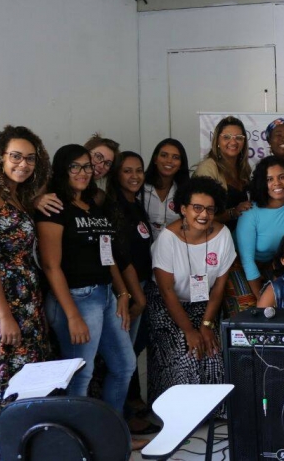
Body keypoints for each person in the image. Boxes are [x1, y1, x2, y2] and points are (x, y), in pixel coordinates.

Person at [37, 145, 136, 421]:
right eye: (75, 166)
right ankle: (77, 438)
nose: (83, 172)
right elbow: (51, 265)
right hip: (75, 298)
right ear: (62, 170)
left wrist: (123, 293)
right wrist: (72, 316)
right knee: (80, 375)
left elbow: (106, 254)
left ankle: (110, 433)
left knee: (124, 366)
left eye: (87, 166)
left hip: (105, 295)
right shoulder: (54, 207)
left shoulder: (92, 204)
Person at [0, 126, 51, 426]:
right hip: (1, 306)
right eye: (16, 156)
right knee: (6, 387)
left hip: (26, 302)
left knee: (28, 384)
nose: (24, 164)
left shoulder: (16, 197)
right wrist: (5, 316)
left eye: (30, 158)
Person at [147, 176, 235, 403]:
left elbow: (219, 288)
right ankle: (175, 410)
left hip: (204, 305)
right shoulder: (168, 239)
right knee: (186, 352)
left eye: (210, 209)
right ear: (183, 209)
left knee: (213, 352)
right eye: (197, 208)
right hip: (167, 305)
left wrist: (206, 325)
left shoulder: (223, 235)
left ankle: (212, 412)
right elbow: (166, 291)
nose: (203, 214)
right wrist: (189, 330)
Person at [105, 151, 155, 432]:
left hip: (141, 285)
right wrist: (136, 295)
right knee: (122, 358)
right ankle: (120, 421)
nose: (135, 176)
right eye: (127, 171)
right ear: (116, 175)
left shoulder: (135, 204)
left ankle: (127, 412)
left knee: (131, 353)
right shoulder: (114, 208)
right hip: (127, 292)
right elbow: (120, 257)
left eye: (138, 170)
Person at [236, 156, 284, 296]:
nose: (277, 183)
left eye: (282, 177)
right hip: (240, 266)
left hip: (274, 266)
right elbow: (247, 260)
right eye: (269, 179)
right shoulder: (250, 213)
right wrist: (261, 300)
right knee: (250, 305)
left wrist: (278, 293)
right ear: (262, 183)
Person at [34, 132, 120, 215]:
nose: (101, 165)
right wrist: (36, 201)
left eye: (108, 163)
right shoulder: (48, 182)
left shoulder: (98, 196)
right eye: (98, 156)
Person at [194, 116, 252, 231]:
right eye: (226, 137)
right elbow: (200, 214)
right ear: (217, 141)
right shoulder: (207, 168)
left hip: (239, 236)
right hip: (214, 236)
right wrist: (233, 212)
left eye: (239, 137)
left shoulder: (244, 169)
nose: (233, 142)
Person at [142, 138, 189, 240]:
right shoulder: (140, 187)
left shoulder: (186, 191)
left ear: (181, 164)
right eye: (164, 155)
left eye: (175, 157)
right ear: (155, 159)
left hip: (175, 246)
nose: (169, 161)